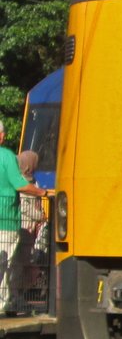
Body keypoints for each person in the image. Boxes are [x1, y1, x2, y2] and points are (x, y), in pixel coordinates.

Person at [0, 122, 48, 316]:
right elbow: (20, 184)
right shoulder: (6, 156)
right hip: (6, 220)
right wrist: (42, 192)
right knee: (4, 265)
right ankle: (2, 305)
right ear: (1, 136)